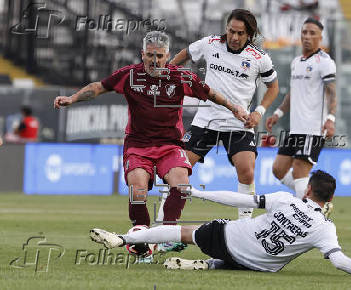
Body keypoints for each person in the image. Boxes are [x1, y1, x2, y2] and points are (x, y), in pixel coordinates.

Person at [54, 31, 247, 255]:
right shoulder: (129, 75)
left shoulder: (181, 77)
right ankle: (140, 235)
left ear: (168, 56)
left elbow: (211, 93)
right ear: (142, 54)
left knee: (181, 185)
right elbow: (98, 87)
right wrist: (72, 98)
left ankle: (167, 233)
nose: (154, 60)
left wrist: (235, 108)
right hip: (138, 145)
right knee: (137, 190)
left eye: (160, 56)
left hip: (170, 144)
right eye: (150, 55)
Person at [89, 170, 351, 277]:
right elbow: (339, 261)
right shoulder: (325, 228)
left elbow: (241, 200)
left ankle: (125, 238)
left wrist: (198, 192)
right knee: (266, 263)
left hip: (226, 238)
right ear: (329, 198)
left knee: (185, 232)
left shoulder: (285, 198)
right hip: (259, 265)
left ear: (308, 189)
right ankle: (210, 266)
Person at [170, 9, 279, 219]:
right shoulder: (210, 44)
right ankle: (167, 223)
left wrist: (259, 112)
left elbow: (273, 87)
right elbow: (186, 53)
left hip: (239, 123)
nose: (234, 37)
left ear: (250, 34)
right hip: (206, 121)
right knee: (178, 170)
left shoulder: (259, 58)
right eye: (231, 31)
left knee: (247, 171)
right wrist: (166, 73)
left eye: (240, 33)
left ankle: (245, 226)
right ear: (226, 29)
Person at [265, 18, 336, 206]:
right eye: (304, 32)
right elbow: (293, 92)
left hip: (313, 128)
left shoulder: (325, 62)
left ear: (320, 37)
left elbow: (332, 91)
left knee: (299, 170)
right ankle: (316, 201)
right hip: (295, 128)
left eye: (313, 33)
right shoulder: (296, 62)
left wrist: (331, 118)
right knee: (278, 170)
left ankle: (304, 215)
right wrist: (278, 113)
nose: (307, 36)